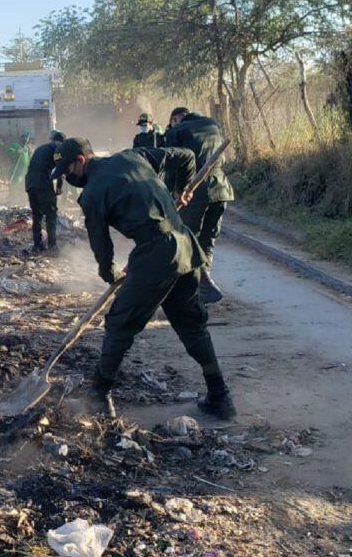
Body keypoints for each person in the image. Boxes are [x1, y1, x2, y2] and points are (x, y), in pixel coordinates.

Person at [48, 138, 237, 420]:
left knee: (119, 324)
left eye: (68, 170)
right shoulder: (134, 156)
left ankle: (99, 396)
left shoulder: (92, 194)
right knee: (191, 325)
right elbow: (185, 155)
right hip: (185, 247)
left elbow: (101, 245)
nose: (68, 176)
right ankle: (220, 398)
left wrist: (110, 273)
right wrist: (181, 190)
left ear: (81, 161)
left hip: (156, 254)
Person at [165, 107, 234, 303]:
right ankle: (203, 285)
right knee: (208, 238)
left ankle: (202, 284)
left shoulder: (176, 131)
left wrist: (173, 193)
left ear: (176, 118)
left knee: (188, 238)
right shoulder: (213, 124)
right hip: (221, 189)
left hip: (193, 191)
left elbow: (172, 166)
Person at [25, 129, 66, 253]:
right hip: (42, 182)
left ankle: (37, 245)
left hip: (30, 182)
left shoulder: (41, 148)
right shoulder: (59, 148)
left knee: (37, 215)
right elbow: (60, 167)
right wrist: (59, 187)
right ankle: (52, 247)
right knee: (51, 214)